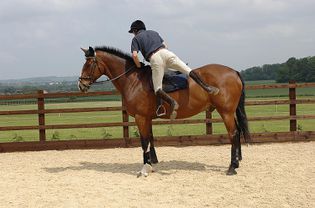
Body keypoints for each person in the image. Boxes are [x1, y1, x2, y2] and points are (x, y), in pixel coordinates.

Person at [129, 20, 219, 119]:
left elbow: (134, 55)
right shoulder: (154, 33)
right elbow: (165, 45)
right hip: (166, 53)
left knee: (157, 89)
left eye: (133, 32)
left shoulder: (136, 38)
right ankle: (207, 88)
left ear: (135, 30)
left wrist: (138, 66)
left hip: (155, 58)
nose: (133, 34)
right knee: (187, 70)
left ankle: (172, 102)